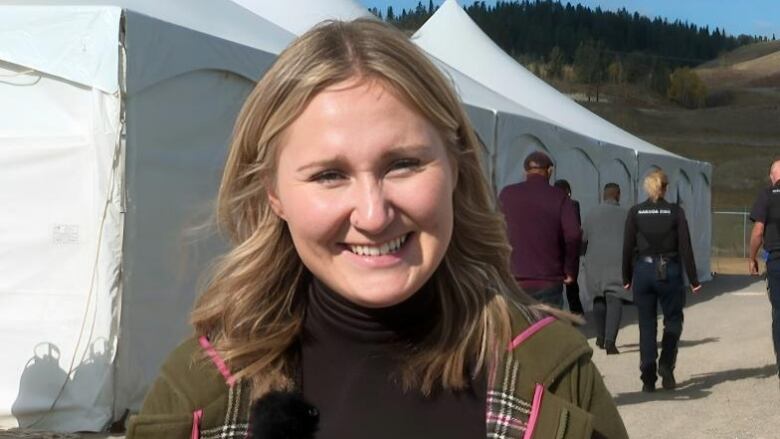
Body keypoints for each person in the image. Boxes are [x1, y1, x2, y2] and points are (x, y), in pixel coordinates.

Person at [126, 19, 628, 439]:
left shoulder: (550, 374)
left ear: (456, 166)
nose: (372, 214)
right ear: (274, 195)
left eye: (403, 164)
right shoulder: (200, 394)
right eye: (329, 175)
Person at [623, 169, 701, 393]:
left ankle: (648, 375)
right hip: (670, 270)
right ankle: (666, 364)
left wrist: (626, 276)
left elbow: (628, 247)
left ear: (647, 188)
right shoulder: (675, 212)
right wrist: (694, 279)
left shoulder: (636, 212)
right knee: (673, 320)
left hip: (644, 270)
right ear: (665, 188)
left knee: (647, 324)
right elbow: (685, 246)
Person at [499, 152, 581, 309]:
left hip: (513, 278)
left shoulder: (506, 194)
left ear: (525, 171)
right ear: (549, 171)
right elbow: (574, 234)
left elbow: (494, 229)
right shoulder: (560, 197)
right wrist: (570, 270)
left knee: (517, 331)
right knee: (546, 330)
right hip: (548, 280)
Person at [582, 183, 630, 355]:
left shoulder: (591, 214)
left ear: (604, 195)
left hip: (595, 263)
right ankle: (610, 341)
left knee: (598, 299)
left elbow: (583, 238)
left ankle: (600, 337)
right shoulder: (626, 215)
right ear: (617, 195)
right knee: (614, 299)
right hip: (617, 263)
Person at [748, 158, 780, 381]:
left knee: (779, 312)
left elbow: (758, 231)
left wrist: (752, 258)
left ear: (772, 176)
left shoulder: (767, 195)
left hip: (777, 261)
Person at [554, 179, 585, 314]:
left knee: (555, 284)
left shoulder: (551, 204)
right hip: (569, 248)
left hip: (555, 247)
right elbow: (575, 227)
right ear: (568, 191)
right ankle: (576, 311)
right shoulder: (573, 204)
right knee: (572, 284)